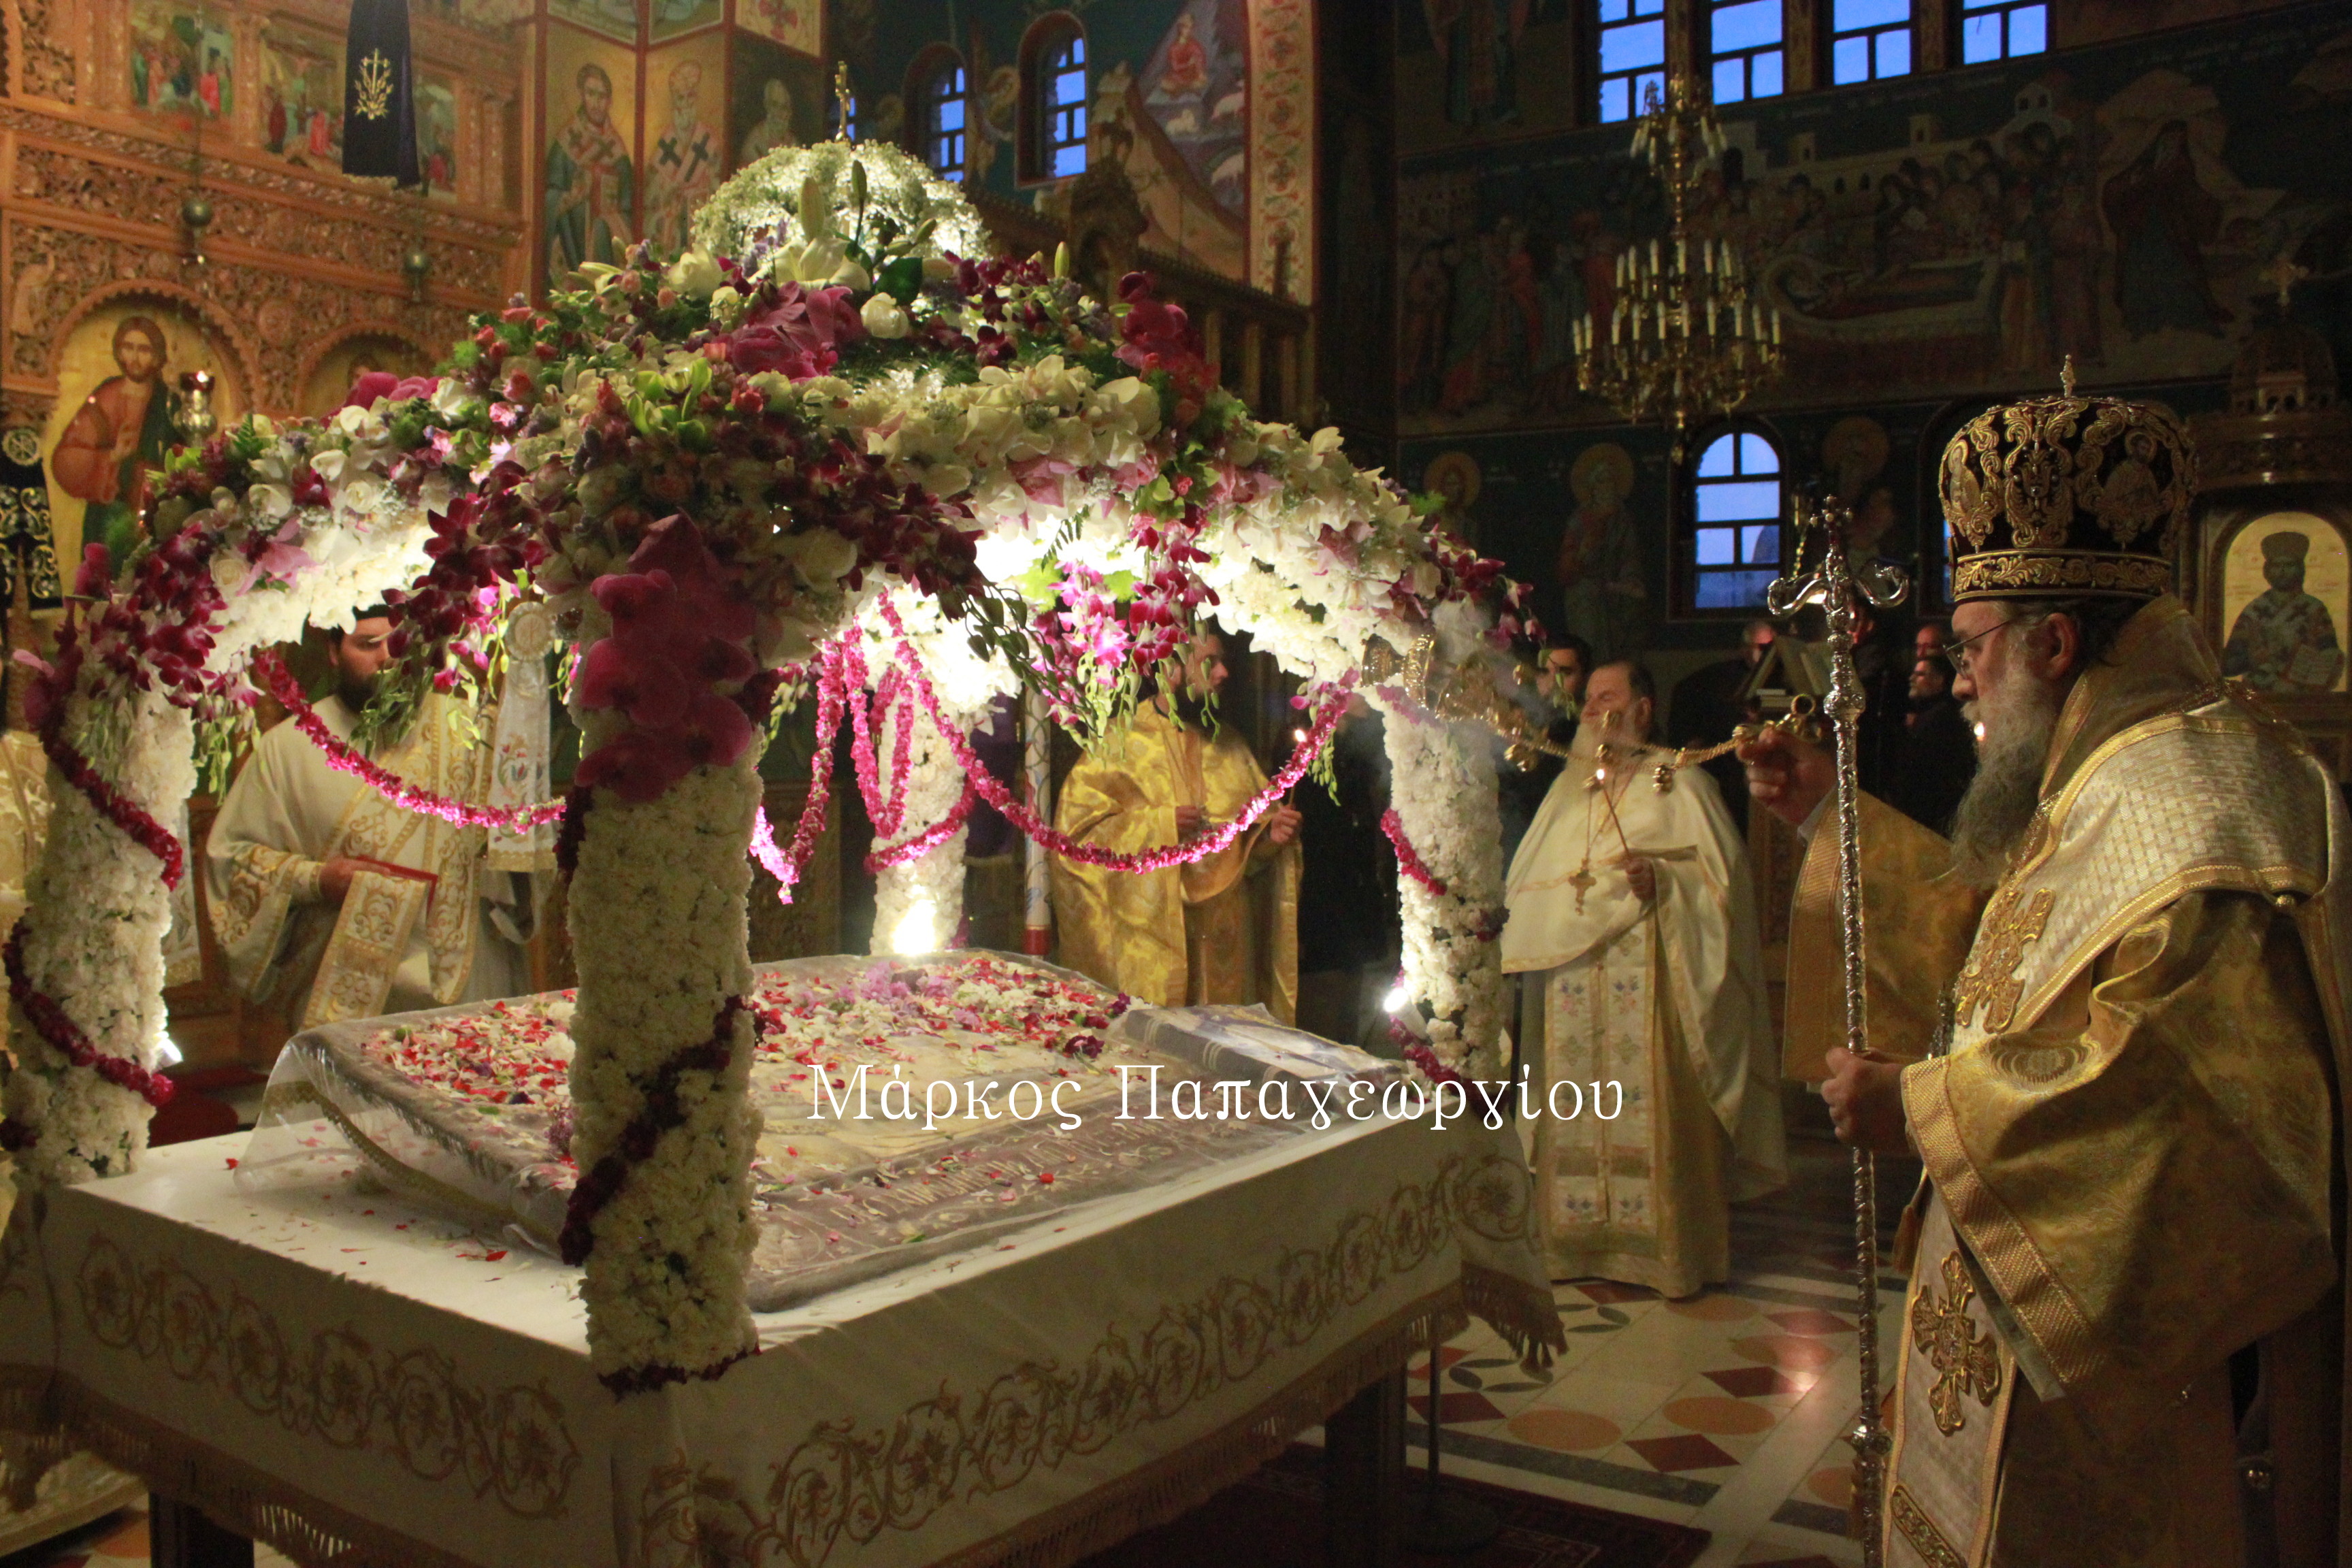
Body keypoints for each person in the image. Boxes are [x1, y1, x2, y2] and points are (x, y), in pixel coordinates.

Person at [1743, 382, 2347, 1566]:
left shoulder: (2199, 810)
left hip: (2123, 1402)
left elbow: (2196, 1113)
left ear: (2054, 642)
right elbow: (2002, 954)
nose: (1963, 678)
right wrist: (1824, 812)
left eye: (1973, 646)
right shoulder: (2121, 763)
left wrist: (1922, 1107)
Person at [1503, 660, 1784, 1297]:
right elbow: (1531, 890)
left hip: (1655, 984)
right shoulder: (1566, 794)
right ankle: (1573, 1243)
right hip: (1573, 991)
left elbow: (1724, 884)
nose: (1592, 710)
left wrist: (1663, 881)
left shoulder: (1680, 783)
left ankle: (1669, 1255)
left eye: (1608, 697)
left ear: (1643, 709)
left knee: (1652, 1109)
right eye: (1589, 698)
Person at [208, 611, 536, 1030]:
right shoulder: (286, 750)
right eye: (368, 644)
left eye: (400, 642)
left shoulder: (469, 730)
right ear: (333, 651)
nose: (387, 657)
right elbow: (232, 863)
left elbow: (521, 861)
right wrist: (317, 880)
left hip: (467, 987)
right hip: (345, 1000)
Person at [1051, 630, 1302, 1022]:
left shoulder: (1232, 746)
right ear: (1169, 670)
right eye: (1209, 663)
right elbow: (1076, 840)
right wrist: (1160, 825)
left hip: (1225, 952)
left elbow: (1250, 854)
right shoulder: (1118, 743)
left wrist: (1268, 838)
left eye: (1223, 662)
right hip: (1154, 951)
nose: (1223, 673)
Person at [1293, 696, 1396, 1049]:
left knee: (1350, 1013)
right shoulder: (1305, 746)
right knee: (1320, 1018)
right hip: (1320, 898)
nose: (1369, 694)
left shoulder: (1362, 744)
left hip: (1355, 894)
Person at [52, 317, 174, 569]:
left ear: (157, 356)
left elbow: (184, 460)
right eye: (128, 348)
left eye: (144, 350)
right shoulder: (106, 397)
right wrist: (113, 456)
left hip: (154, 515)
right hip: (106, 517)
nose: (135, 358)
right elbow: (68, 456)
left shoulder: (170, 404)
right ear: (119, 352)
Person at [1666, 618, 1773, 832]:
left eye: (1772, 649)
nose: (1768, 656)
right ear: (1745, 649)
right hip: (1725, 773)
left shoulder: (1779, 678)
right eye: (1763, 649)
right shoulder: (1713, 684)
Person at [1497, 629, 1588, 863]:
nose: (1553, 682)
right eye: (1544, 672)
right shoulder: (1519, 720)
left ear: (1584, 678)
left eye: (1565, 673)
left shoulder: (1587, 730)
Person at [2224, 529, 2343, 693]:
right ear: (2267, 570)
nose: (2282, 571)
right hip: (2258, 696)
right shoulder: (2253, 611)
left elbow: (2329, 655)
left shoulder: (2315, 609)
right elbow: (2228, 665)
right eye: (2276, 566)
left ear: (2300, 569)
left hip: (2302, 697)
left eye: (2289, 565)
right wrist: (2252, 660)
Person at [544, 63, 634, 277]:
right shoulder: (566, 143)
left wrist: (611, 216)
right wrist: (572, 197)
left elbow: (628, 205)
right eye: (591, 94)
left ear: (610, 101)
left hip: (607, 237)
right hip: (572, 234)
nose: (596, 103)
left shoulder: (617, 150)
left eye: (602, 96)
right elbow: (549, 197)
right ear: (581, 95)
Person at [1890, 619, 1976, 834]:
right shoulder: (1926, 715)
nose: (1912, 678)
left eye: (1921, 675)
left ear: (1940, 680)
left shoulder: (1938, 720)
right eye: (1918, 647)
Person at [643, 60, 721, 255]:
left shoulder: (709, 141)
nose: (686, 104)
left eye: (690, 96)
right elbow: (650, 197)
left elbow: (718, 186)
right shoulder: (665, 143)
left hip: (699, 229)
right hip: (671, 231)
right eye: (680, 98)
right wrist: (668, 194)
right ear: (674, 102)